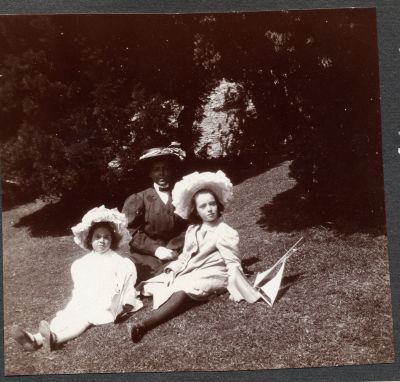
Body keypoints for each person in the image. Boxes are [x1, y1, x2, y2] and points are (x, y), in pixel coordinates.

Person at [128, 170, 258, 343]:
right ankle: (174, 294)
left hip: (215, 272)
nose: (209, 209)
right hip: (194, 269)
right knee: (156, 284)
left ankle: (143, 325)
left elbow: (233, 262)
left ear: (219, 205)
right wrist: (172, 269)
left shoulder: (224, 231)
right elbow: (184, 257)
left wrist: (237, 285)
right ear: (196, 210)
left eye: (212, 204)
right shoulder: (193, 229)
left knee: (183, 289)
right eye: (203, 206)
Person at [12, 205, 143, 352]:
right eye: (97, 237)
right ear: (90, 240)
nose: (102, 241)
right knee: (68, 314)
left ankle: (56, 339)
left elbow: (127, 284)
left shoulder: (118, 261)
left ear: (112, 240)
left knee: (85, 318)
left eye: (106, 237)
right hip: (87, 298)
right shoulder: (83, 263)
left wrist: (126, 303)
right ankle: (35, 339)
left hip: (108, 302)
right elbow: (82, 286)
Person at [122, 142, 188, 284]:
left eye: (165, 169)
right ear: (150, 174)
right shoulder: (139, 198)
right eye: (157, 170)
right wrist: (157, 249)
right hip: (147, 256)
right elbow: (130, 231)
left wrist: (173, 247)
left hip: (177, 250)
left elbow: (188, 226)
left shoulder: (180, 195)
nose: (162, 174)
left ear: (171, 171)